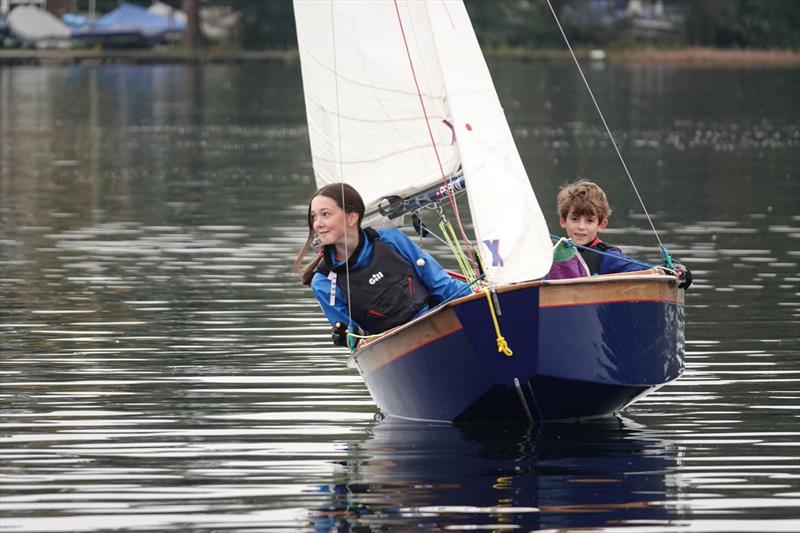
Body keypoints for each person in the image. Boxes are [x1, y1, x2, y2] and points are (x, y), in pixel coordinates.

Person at [294, 183, 469, 346]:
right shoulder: (323, 281)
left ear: (352, 217)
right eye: (314, 217)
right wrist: (347, 337)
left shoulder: (390, 239)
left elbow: (442, 286)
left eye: (325, 214)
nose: (317, 224)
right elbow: (357, 339)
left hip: (437, 326)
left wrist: (481, 296)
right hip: (391, 348)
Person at [548, 179, 691, 288]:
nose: (581, 227)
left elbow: (642, 269)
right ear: (563, 221)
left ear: (601, 225)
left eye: (589, 221)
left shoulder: (607, 257)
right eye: (574, 219)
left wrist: (672, 270)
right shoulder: (551, 254)